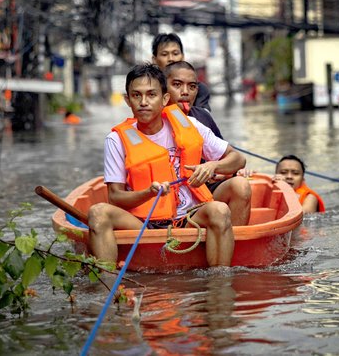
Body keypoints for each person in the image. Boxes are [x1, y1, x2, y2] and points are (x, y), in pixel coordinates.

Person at [87, 64, 247, 267]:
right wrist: (148, 192)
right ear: (127, 100)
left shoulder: (191, 125)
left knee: (220, 210)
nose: (143, 102)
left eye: (151, 95)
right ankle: (108, 286)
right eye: (136, 95)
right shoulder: (116, 139)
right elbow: (115, 197)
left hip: (189, 216)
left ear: (164, 99)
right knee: (98, 212)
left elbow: (238, 159)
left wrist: (212, 166)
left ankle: (220, 285)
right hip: (143, 223)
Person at [164, 60, 251, 226]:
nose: (185, 92)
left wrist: (213, 167)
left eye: (192, 86)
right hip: (161, 201)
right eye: (177, 85)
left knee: (241, 185)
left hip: (199, 191)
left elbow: (235, 159)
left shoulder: (200, 120)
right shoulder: (149, 122)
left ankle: (234, 243)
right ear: (163, 89)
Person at [151, 33, 211, 111]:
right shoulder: (149, 88)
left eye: (175, 53)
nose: (171, 59)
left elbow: (203, 118)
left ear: (182, 56)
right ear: (154, 60)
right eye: (164, 54)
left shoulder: (199, 89)